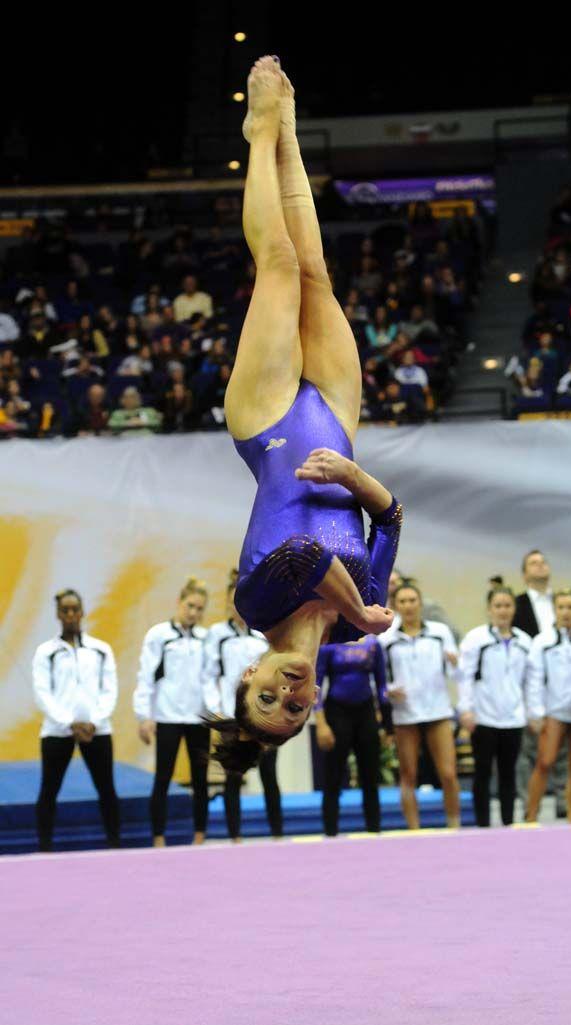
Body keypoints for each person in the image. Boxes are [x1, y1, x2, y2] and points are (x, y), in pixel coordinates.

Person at [209, 57, 401, 774]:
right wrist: (355, 473)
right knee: (317, 267)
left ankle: (259, 133)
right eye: (294, 710)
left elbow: (307, 554)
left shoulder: (257, 605)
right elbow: (390, 520)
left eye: (266, 699)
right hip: (336, 426)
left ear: (247, 679)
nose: (287, 697)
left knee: (281, 266)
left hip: (267, 429)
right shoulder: (353, 636)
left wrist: (360, 611)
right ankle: (289, 128)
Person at [32, 589, 120, 852]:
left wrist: (94, 720)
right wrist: (68, 722)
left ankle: (115, 845)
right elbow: (42, 692)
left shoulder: (101, 649)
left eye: (74, 609)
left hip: (98, 729)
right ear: (58, 615)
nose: (70, 615)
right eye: (65, 610)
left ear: (82, 612)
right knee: (49, 790)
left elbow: (110, 689)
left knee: (107, 789)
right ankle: (45, 848)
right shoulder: (46, 651)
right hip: (57, 731)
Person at [133, 578, 213, 847]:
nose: (194, 612)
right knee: (163, 778)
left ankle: (199, 837)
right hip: (168, 717)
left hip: (198, 718)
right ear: (179, 603)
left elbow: (211, 680)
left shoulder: (206, 638)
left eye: (200, 608)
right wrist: (144, 716)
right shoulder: (159, 635)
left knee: (201, 780)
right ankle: (158, 838)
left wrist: (217, 714)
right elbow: (146, 677)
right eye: (190, 606)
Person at [204, 576, 283, 841]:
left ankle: (277, 834)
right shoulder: (217, 635)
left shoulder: (264, 635)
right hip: (232, 717)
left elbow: (276, 676)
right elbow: (209, 675)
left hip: (263, 718)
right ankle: (235, 836)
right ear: (228, 602)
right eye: (233, 599)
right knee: (233, 777)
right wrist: (217, 711)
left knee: (269, 776)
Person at [380, 583, 460, 830]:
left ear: (420, 603)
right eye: (402, 601)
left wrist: (456, 664)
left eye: (412, 600)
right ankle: (414, 831)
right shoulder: (386, 640)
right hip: (405, 714)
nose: (408, 605)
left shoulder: (440, 632)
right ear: (395, 605)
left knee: (447, 773)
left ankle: (454, 825)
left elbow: (457, 674)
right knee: (408, 775)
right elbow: (379, 681)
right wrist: (388, 691)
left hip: (438, 711)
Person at [458, 586, 536, 827]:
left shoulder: (525, 641)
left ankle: (507, 823)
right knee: (482, 773)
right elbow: (464, 676)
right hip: (483, 717)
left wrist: (533, 712)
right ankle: (482, 825)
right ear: (489, 609)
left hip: (513, 718)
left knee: (509, 773)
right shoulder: (476, 639)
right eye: (498, 606)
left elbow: (531, 681)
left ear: (514, 609)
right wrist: (466, 709)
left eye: (507, 606)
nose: (503, 611)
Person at [525, 590, 571, 823]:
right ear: (554, 611)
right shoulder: (542, 641)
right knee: (544, 762)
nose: (566, 612)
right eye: (561, 608)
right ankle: (530, 816)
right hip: (554, 711)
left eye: (570, 607)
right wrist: (536, 712)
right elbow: (535, 678)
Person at [315, 635, 389, 836]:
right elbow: (317, 685)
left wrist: (387, 726)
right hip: (337, 714)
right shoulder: (328, 644)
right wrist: (321, 724)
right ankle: (330, 832)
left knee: (370, 776)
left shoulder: (373, 643)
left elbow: (382, 685)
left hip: (365, 713)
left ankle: (374, 830)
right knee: (333, 777)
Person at [513, 549, 568, 816]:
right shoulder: (517, 603)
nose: (540, 566)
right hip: (530, 683)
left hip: (562, 684)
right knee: (530, 749)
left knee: (563, 748)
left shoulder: (563, 602)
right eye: (534, 563)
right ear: (525, 574)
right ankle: (528, 803)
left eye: (543, 562)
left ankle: (563, 800)